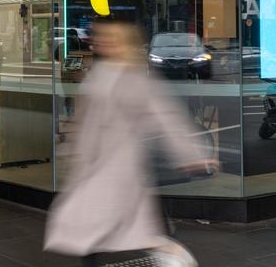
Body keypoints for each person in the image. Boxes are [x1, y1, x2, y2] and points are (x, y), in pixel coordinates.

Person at [44, 17, 216, 267]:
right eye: (100, 36)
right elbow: (85, 119)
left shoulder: (136, 77)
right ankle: (165, 249)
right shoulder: (98, 72)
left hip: (119, 165)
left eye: (111, 37)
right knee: (97, 227)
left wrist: (192, 155)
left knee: (103, 225)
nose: (103, 41)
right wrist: (72, 149)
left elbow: (166, 118)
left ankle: (168, 250)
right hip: (94, 163)